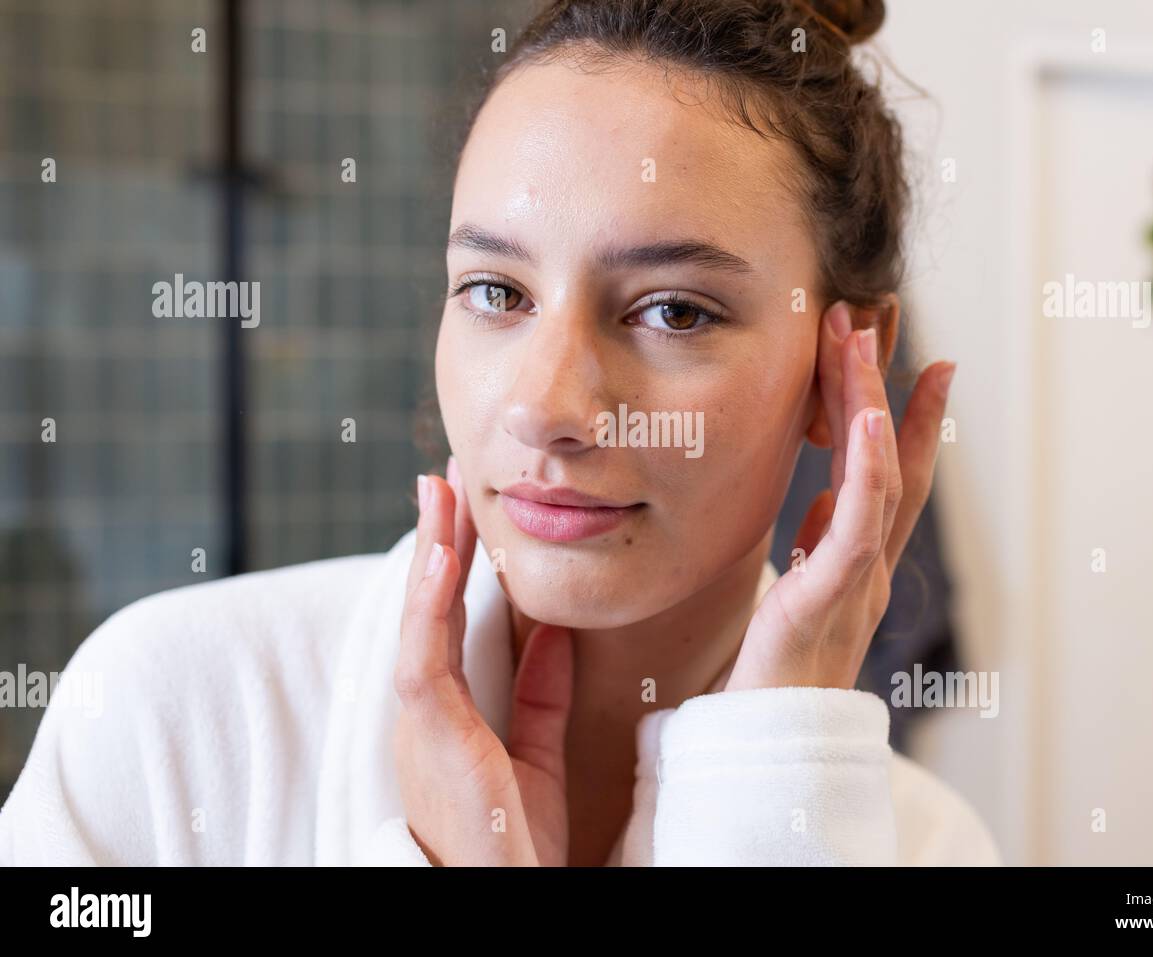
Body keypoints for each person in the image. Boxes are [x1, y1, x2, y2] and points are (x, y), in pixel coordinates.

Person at [0, 0, 1000, 866]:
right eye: (496, 291)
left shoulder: (930, 848)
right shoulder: (168, 719)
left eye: (674, 312)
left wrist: (773, 792)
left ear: (847, 362)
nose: (545, 408)